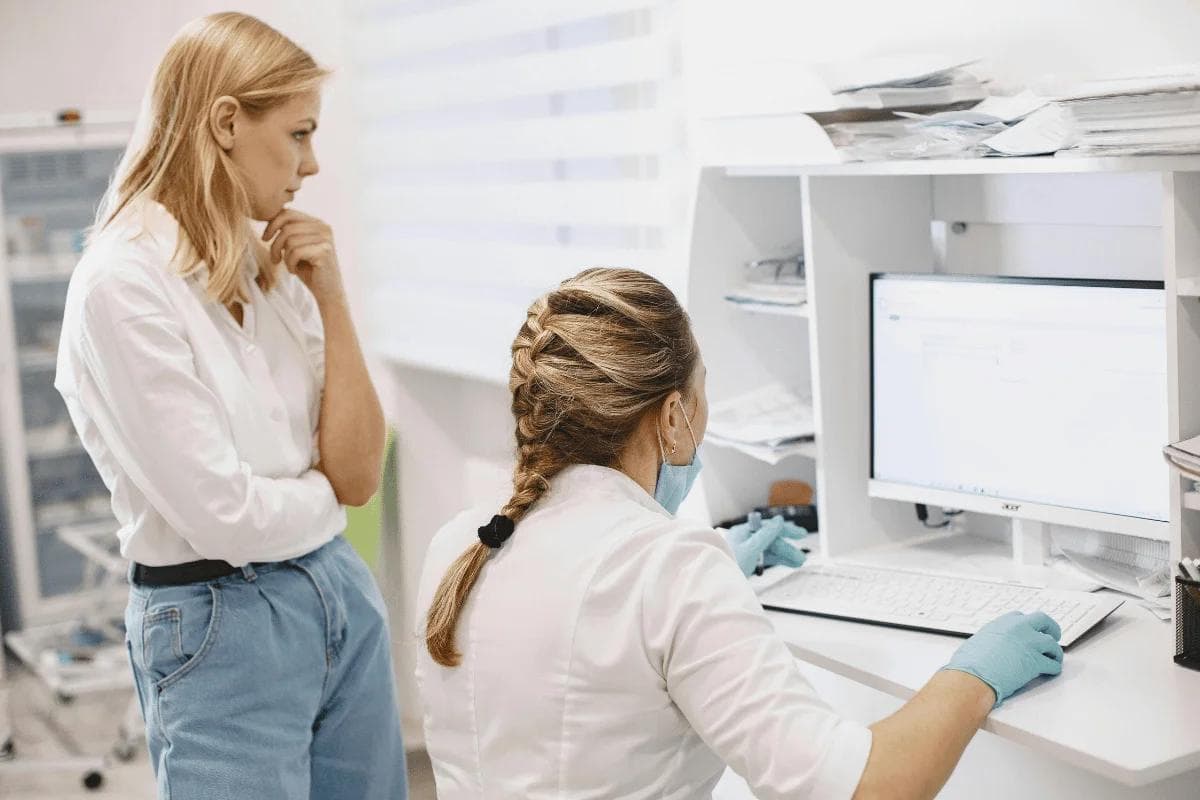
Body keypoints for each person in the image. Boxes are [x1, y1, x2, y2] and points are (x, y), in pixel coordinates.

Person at [415, 268, 1064, 800]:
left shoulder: (461, 543)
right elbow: (866, 788)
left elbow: (576, 638)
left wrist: (716, 568)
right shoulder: (667, 569)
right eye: (702, 397)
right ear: (673, 416)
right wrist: (974, 675)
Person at [54, 13, 405, 799]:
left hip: (338, 592)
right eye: (299, 134)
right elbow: (225, 519)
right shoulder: (124, 284)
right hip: (221, 620)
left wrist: (332, 298)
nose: (311, 164)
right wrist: (320, 495)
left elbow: (357, 474)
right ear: (225, 124)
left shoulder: (270, 268)